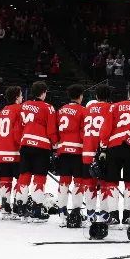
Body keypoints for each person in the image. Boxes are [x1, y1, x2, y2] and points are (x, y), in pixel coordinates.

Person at [96, 80, 130, 230]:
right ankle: (127, 216)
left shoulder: (115, 106)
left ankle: (113, 215)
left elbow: (105, 129)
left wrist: (103, 148)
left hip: (114, 146)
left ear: (128, 93)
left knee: (111, 181)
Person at [16, 81, 58, 221]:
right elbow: (51, 130)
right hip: (41, 146)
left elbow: (18, 128)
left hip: (25, 145)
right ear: (43, 93)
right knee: (39, 179)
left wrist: (21, 142)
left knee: (24, 176)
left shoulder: (24, 105)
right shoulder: (48, 108)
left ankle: (20, 207)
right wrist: (55, 145)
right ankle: (36, 209)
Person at [77, 84, 112, 227]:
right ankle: (104, 214)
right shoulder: (111, 108)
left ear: (96, 96)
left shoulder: (87, 109)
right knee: (104, 184)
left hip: (87, 149)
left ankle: (90, 214)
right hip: (103, 151)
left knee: (89, 184)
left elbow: (81, 130)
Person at [54, 84, 87, 218]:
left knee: (64, 180)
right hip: (77, 149)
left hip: (63, 149)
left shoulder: (61, 110)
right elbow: (84, 132)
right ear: (80, 96)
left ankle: (61, 211)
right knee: (78, 181)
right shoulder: (83, 110)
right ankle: (76, 211)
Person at [0, 86, 23, 219]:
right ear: (17, 97)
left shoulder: (3, 110)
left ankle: (5, 206)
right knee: (20, 179)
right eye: (21, 95)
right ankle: (18, 206)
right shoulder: (19, 109)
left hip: (2, 150)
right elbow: (18, 131)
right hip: (15, 150)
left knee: (5, 180)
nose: (22, 97)